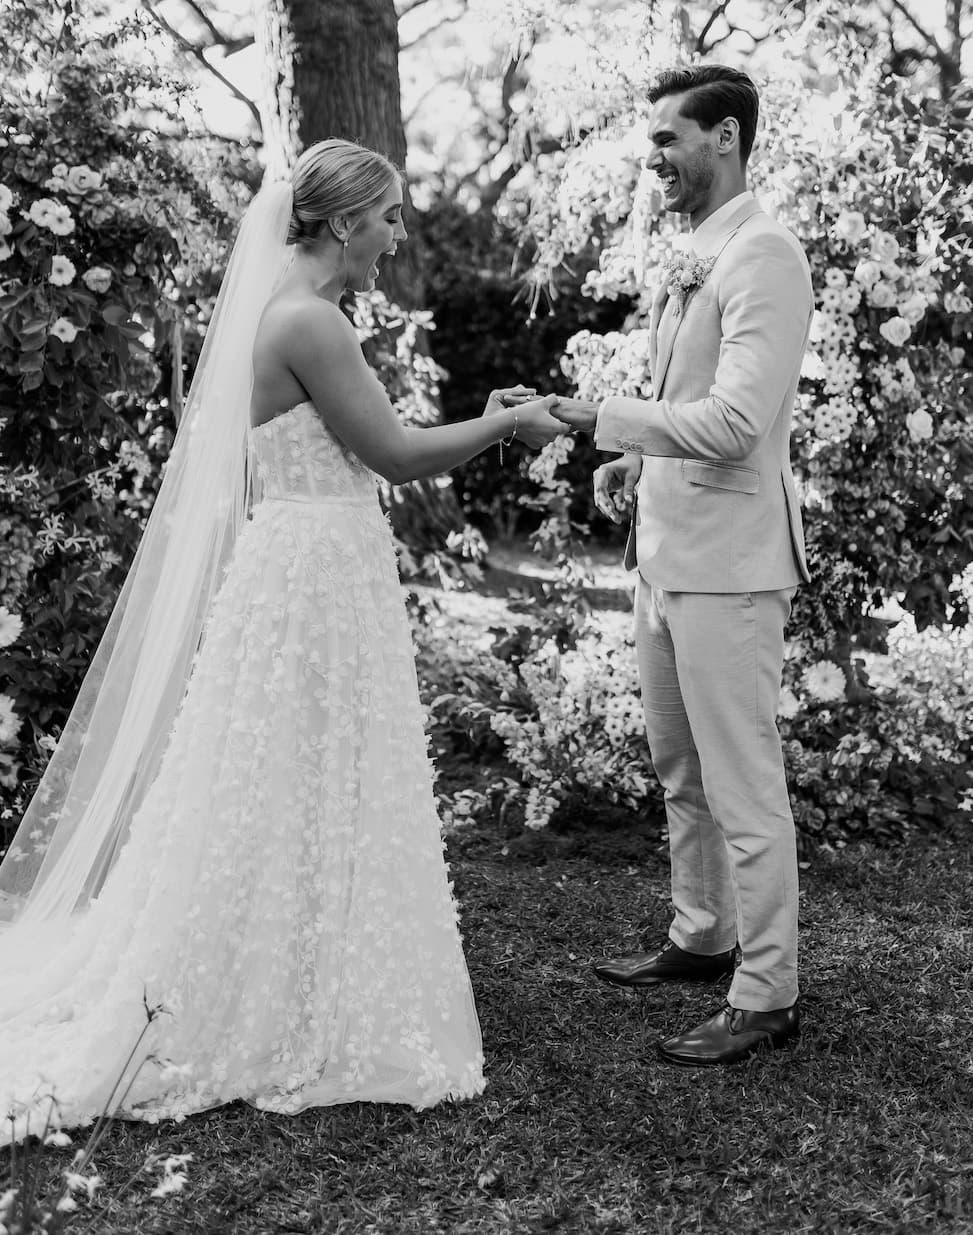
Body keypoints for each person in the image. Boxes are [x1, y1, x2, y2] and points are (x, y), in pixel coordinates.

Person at [0, 138, 568, 1139]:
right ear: (345, 221)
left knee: (290, 770)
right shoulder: (308, 319)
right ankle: (274, 987)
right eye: (389, 217)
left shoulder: (304, 316)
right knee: (300, 766)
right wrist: (501, 430)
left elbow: (365, 438)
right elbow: (390, 453)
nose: (396, 237)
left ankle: (301, 965)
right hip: (314, 571)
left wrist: (477, 416)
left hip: (314, 558)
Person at [552, 66, 813, 1066]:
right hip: (665, 556)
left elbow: (741, 423)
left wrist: (603, 417)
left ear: (727, 139)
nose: (650, 155)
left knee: (741, 782)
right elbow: (692, 402)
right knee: (679, 770)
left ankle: (767, 989)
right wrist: (631, 460)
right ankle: (701, 932)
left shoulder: (764, 256)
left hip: (730, 566)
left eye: (667, 137)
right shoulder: (693, 253)